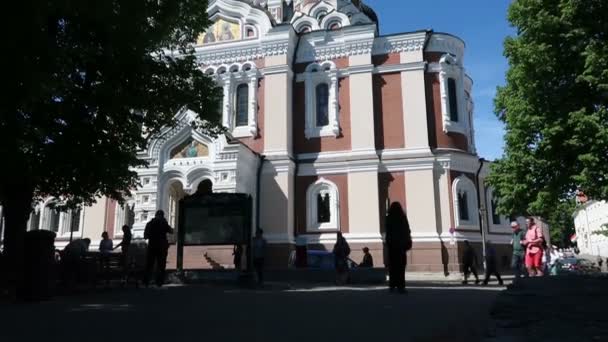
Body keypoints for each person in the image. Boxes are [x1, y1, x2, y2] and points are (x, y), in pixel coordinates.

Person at [385, 202, 412, 294]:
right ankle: (401, 286)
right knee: (401, 267)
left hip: (392, 247)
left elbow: (387, 232)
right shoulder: (403, 218)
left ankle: (392, 286)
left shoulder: (389, 218)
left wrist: (388, 243)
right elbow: (407, 230)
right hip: (401, 247)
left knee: (392, 267)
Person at [144, 210, 174, 287]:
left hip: (152, 246)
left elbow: (145, 236)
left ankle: (146, 281)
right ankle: (159, 282)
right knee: (161, 265)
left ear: (155, 215)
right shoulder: (163, 223)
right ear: (162, 216)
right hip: (161, 247)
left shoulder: (150, 224)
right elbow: (171, 231)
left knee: (149, 264)